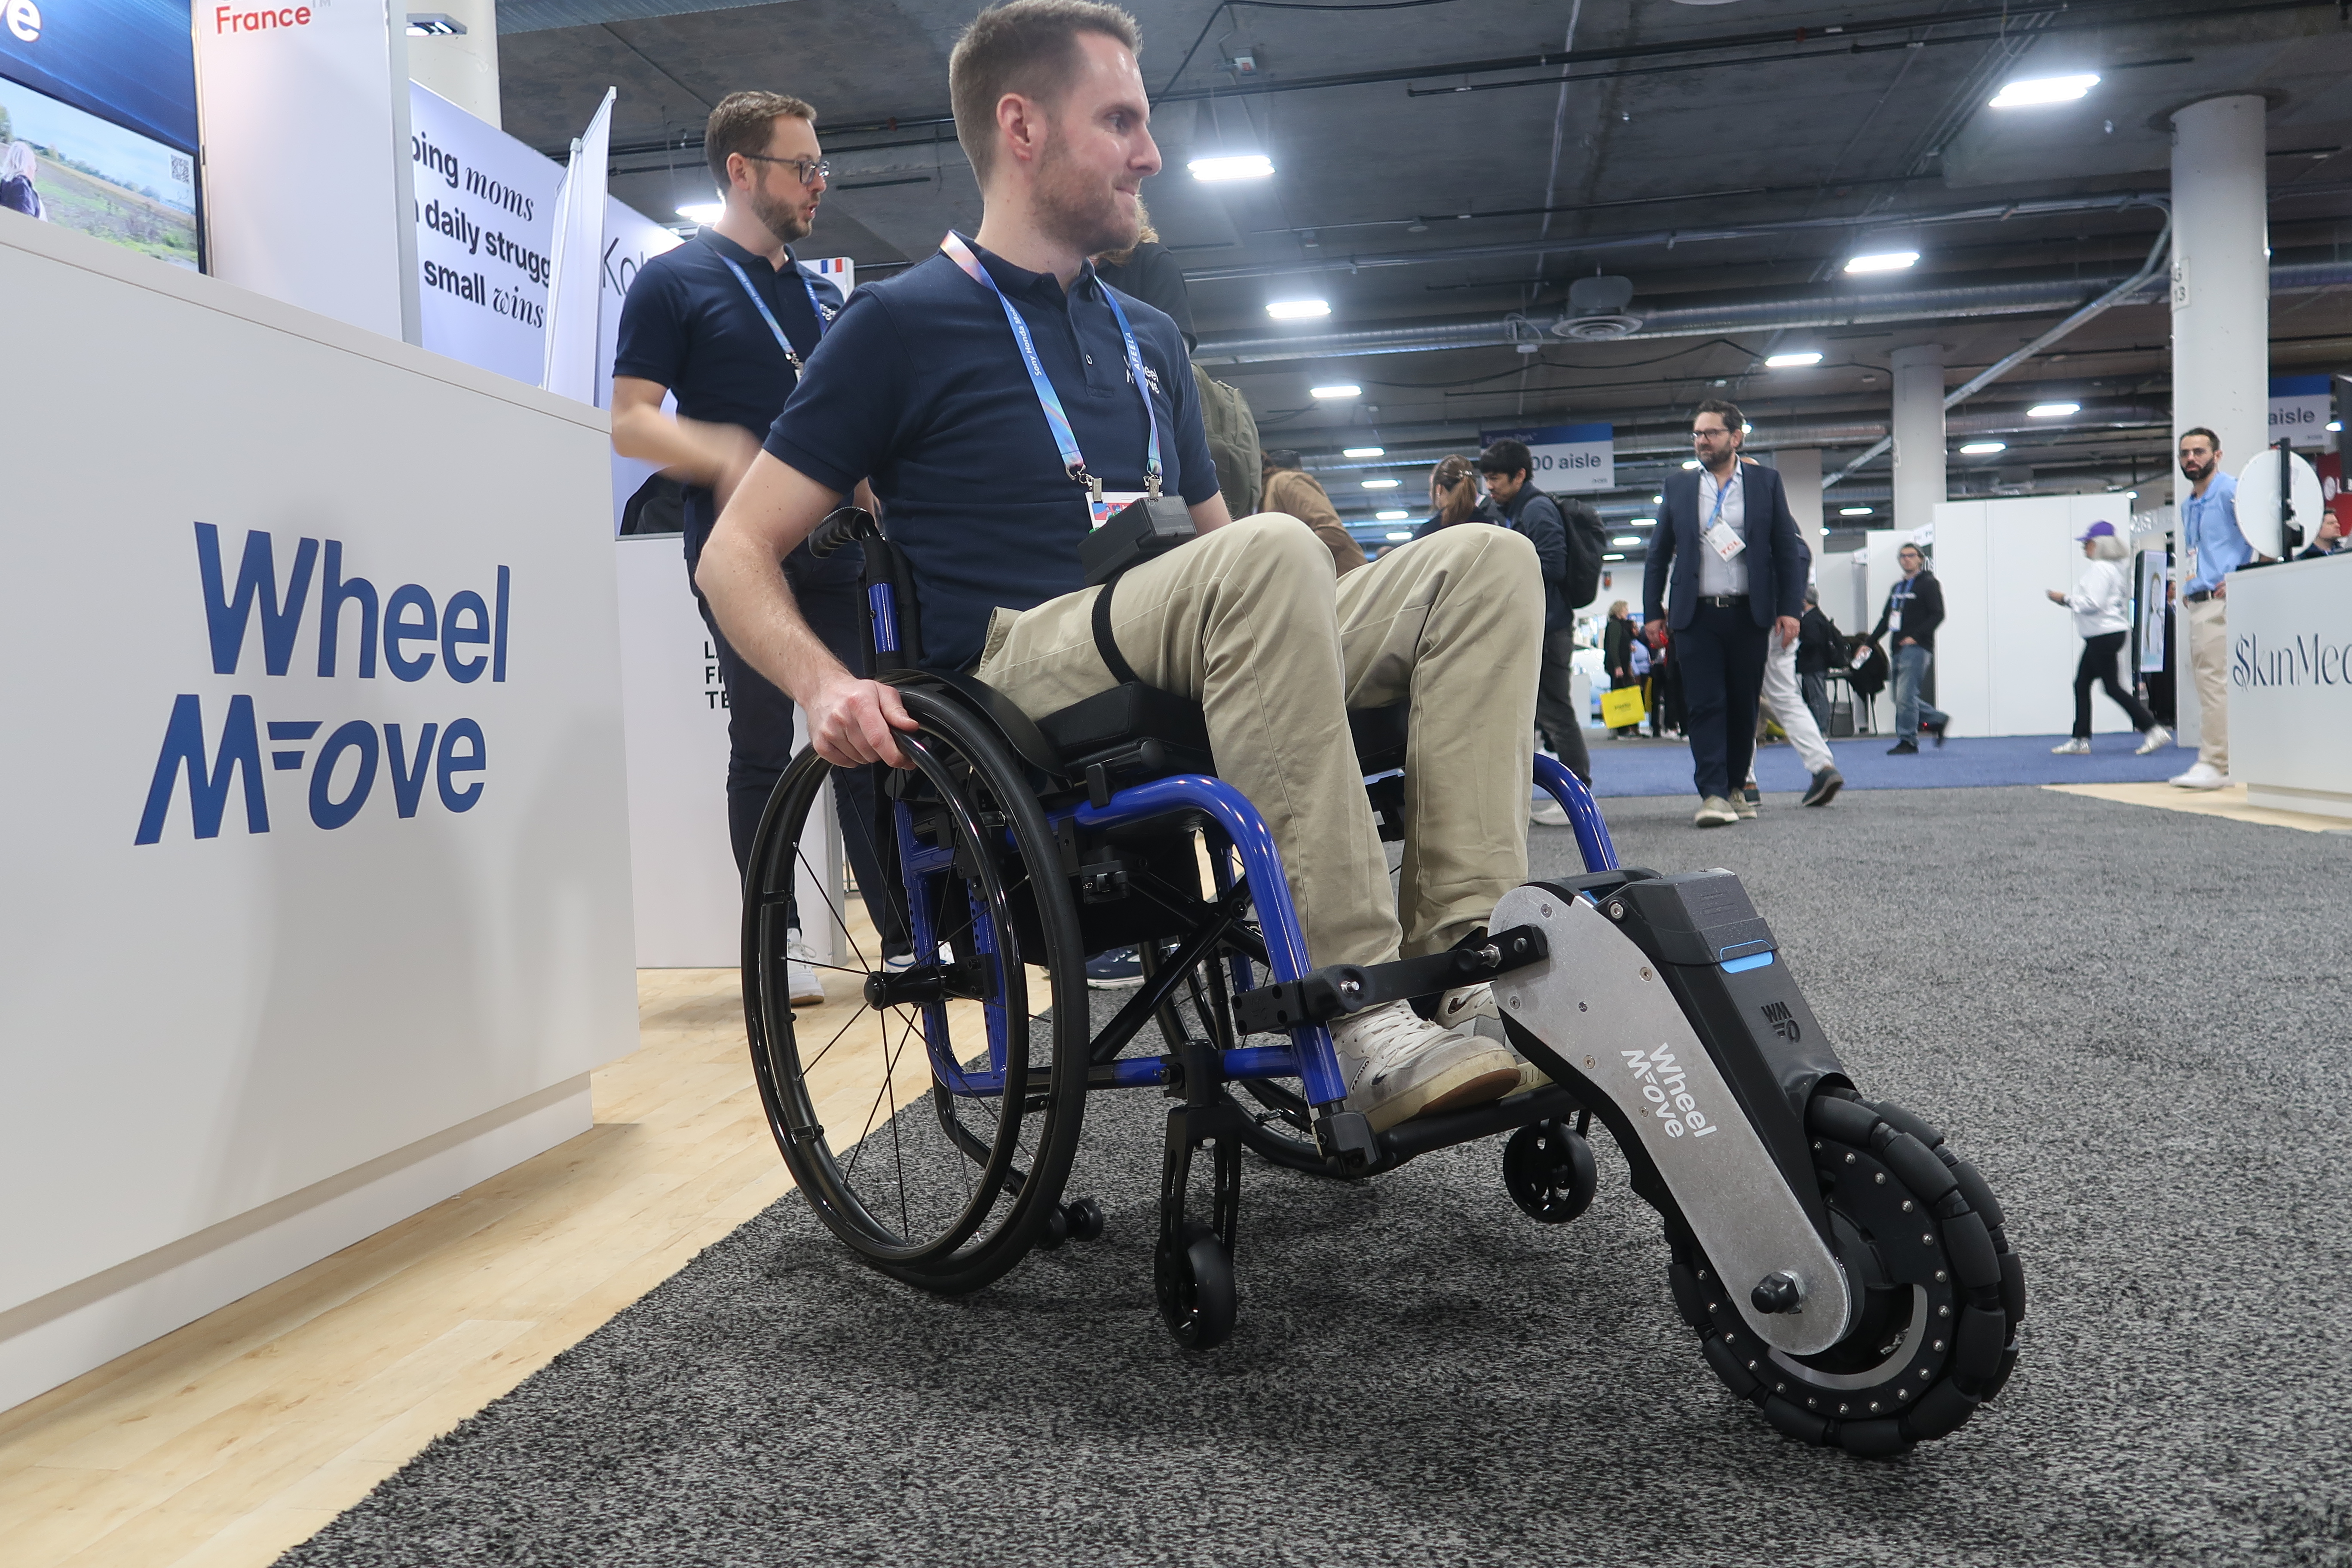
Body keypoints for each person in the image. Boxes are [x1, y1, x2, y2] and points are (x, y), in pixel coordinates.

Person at [696, 0, 1542, 1134]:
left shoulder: (1148, 339)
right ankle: (1353, 1009)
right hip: (1015, 666)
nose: (1152, 153)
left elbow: (1212, 544)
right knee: (1270, 548)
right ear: (1024, 127)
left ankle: (1471, 973)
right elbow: (734, 552)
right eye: (1122, 121)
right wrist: (823, 685)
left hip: (1177, 622)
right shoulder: (896, 325)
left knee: (1485, 562)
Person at [609, 89, 894, 1007]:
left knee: (868, 733)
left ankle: (900, 936)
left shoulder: (821, 294)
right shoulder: (674, 281)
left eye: (820, 167)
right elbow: (630, 425)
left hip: (839, 551)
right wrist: (728, 455)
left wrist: (883, 516)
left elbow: (846, 426)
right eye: (801, 167)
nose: (818, 184)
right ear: (741, 171)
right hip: (742, 554)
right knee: (766, 745)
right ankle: (779, 945)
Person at [1641, 400, 1806, 827]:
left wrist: (1790, 609)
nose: (1701, 441)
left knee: (1744, 705)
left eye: (1710, 433)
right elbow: (1658, 554)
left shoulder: (1766, 483)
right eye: (1697, 434)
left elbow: (1787, 552)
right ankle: (1712, 794)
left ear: (1736, 438)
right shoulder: (1679, 486)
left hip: (1749, 613)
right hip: (1695, 616)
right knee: (1704, 704)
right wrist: (1652, 612)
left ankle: (1736, 787)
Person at [1481, 438, 1597, 791]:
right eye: (1486, 478)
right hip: (1535, 627)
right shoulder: (1506, 510)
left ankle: (1579, 791)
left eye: (1497, 478)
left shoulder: (1536, 510)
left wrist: (1503, 577)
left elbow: (1554, 566)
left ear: (1520, 475)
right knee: (1539, 713)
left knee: (1556, 712)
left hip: (1549, 629)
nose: (1490, 486)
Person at [2171, 426, 2251, 790]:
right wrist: (2190, 584)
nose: (2192, 459)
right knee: (2210, 682)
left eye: (2199, 452)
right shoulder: (2190, 503)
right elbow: (2196, 551)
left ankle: (2216, 762)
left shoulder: (2231, 491)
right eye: (2186, 453)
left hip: (2222, 601)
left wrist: (2243, 578)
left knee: (2214, 682)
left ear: (2217, 456)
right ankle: (2225, 759)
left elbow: (2263, 533)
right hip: (2200, 599)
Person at [2046, 521, 2170, 755]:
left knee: (2111, 687)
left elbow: (2093, 603)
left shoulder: (2101, 570)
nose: (2085, 548)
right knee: (2083, 684)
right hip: (2103, 635)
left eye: (2088, 543)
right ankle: (2081, 738)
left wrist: (2065, 599)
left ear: (2099, 545)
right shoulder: (2114, 569)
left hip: (2103, 635)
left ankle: (2152, 729)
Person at [1743, 583, 1845, 809]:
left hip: (1744, 617)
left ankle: (1747, 783)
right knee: (1788, 701)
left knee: (1741, 700)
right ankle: (1823, 767)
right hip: (1781, 620)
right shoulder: (1792, 548)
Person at [1869, 541, 1950, 754]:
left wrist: (1916, 636)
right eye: (1903, 556)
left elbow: (1938, 614)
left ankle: (1908, 740)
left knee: (1905, 697)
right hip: (1896, 648)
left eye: (1911, 555)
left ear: (1921, 559)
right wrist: (1869, 643)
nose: (1907, 559)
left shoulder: (1929, 584)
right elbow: (1887, 619)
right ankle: (1937, 719)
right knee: (1899, 698)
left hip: (1917, 648)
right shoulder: (1897, 588)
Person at [1260, 449, 1367, 575]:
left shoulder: (1286, 481)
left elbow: (1333, 534)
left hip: (1344, 585)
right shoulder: (1264, 496)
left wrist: (1282, 564)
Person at [1795, 585, 1841, 732]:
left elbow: (1813, 641)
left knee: (1816, 698)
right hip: (1818, 663)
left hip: (1813, 664)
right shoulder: (1820, 617)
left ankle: (1821, 729)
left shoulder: (1811, 619)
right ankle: (1820, 727)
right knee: (1817, 696)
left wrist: (1798, 645)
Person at [1602, 600, 1640, 737]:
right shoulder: (1615, 625)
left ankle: (1624, 728)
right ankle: (1621, 729)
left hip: (1622, 665)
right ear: (1619, 611)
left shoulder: (1618, 625)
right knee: (1620, 696)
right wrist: (1618, 666)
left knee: (1622, 694)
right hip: (1619, 667)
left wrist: (1629, 647)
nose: (1628, 612)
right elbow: (1613, 647)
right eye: (1626, 609)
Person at [0, 141, 45, 219]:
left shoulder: (6, 182)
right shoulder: (21, 187)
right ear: (27, 164)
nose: (35, 169)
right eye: (33, 163)